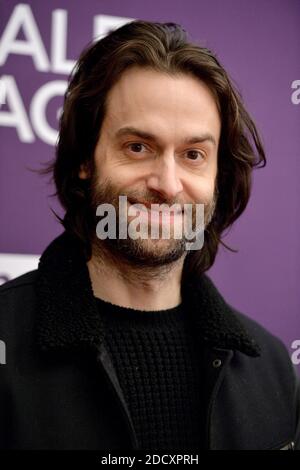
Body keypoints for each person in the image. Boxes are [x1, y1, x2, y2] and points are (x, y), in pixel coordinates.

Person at [0, 20, 299, 451]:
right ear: (85, 157)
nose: (168, 183)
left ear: (218, 176)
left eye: (193, 155)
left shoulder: (270, 369)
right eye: (138, 147)